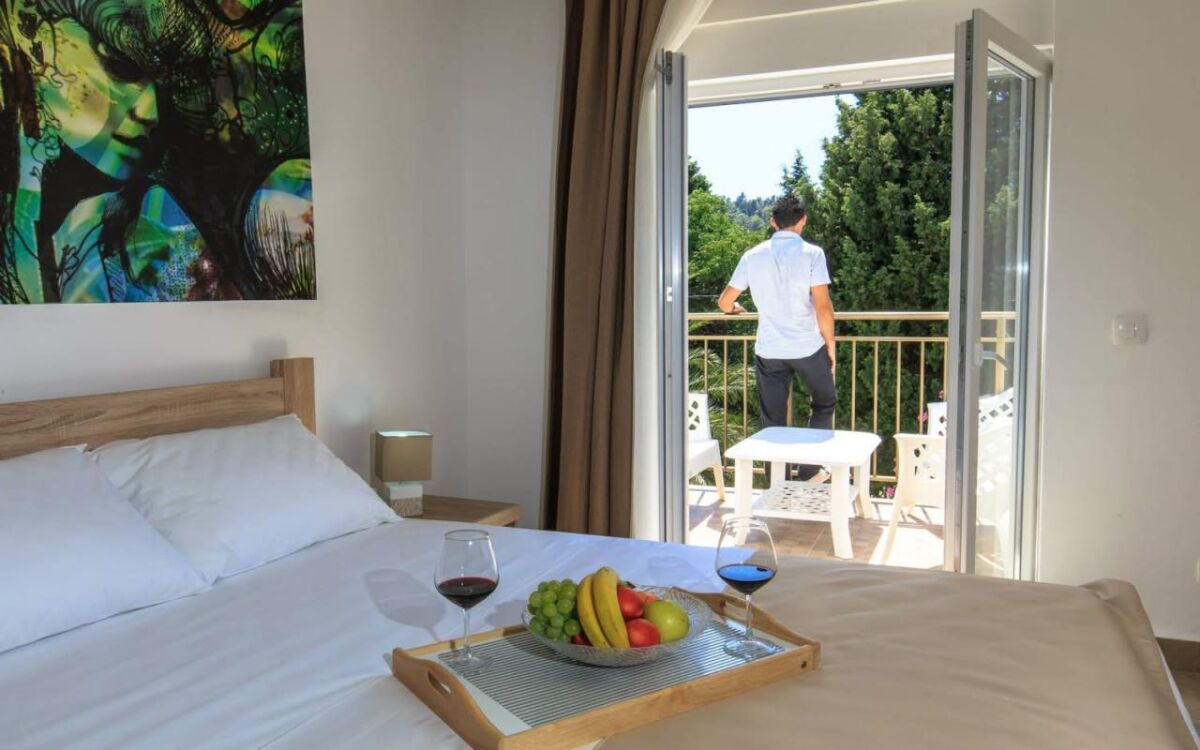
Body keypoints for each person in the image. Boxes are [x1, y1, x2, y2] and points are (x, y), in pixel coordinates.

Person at [717, 194, 836, 481]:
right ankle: (809, 472)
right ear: (803, 220)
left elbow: (724, 302)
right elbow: (822, 305)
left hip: (770, 350)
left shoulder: (752, 256)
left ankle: (776, 484)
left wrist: (735, 308)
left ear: (772, 222)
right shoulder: (813, 254)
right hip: (808, 347)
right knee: (824, 402)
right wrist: (830, 344)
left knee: (773, 419)